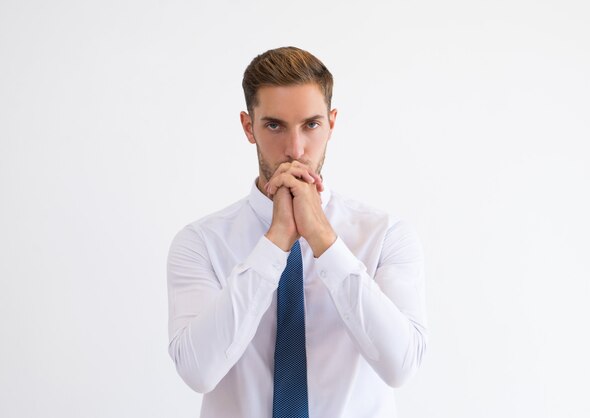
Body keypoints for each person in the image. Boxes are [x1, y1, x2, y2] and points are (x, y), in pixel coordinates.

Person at [167, 46, 428, 418]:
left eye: (311, 124)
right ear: (248, 127)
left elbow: (401, 365)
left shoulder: (386, 236)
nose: (295, 149)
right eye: (274, 125)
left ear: (332, 123)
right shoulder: (200, 243)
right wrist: (275, 243)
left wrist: (325, 240)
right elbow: (198, 371)